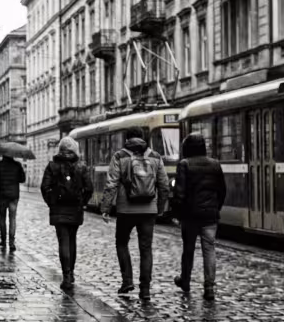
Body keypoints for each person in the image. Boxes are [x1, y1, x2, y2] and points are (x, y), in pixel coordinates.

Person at [100, 127, 170, 301]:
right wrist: (160, 208)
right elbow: (164, 185)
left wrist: (106, 207)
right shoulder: (155, 156)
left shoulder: (120, 156)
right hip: (149, 210)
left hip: (126, 209)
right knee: (146, 249)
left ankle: (127, 281)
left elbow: (111, 183)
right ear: (143, 138)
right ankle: (145, 290)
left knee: (121, 243)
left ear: (127, 138)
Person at [170, 133, 226, 301]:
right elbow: (222, 190)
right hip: (210, 216)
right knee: (209, 250)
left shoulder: (184, 164)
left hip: (190, 215)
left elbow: (179, 193)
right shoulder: (215, 164)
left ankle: (185, 281)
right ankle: (209, 287)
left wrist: (177, 214)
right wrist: (216, 208)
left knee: (188, 250)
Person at [41, 137, 93, 290]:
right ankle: (71, 273)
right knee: (72, 240)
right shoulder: (81, 166)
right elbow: (89, 188)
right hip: (75, 209)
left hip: (58, 209)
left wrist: (52, 202)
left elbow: (44, 187)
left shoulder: (52, 166)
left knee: (63, 240)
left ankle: (67, 276)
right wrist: (82, 202)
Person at [0, 155, 26, 251]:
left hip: (2, 195)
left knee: (2, 218)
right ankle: (12, 242)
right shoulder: (17, 165)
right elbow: (22, 179)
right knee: (12, 219)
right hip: (13, 196)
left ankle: (3, 240)